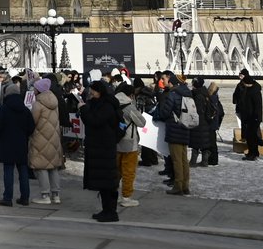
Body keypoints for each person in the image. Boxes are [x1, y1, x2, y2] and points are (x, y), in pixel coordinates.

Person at [79, 80, 123, 222]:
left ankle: (111, 212)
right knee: (104, 182)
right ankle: (106, 210)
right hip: (99, 147)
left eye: (93, 91)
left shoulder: (107, 106)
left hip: (104, 148)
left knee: (108, 181)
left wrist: (84, 109)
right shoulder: (100, 103)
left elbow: (95, 121)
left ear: (100, 92)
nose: (90, 93)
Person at [0, 76, 34, 207]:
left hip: (7, 143)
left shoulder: (4, 109)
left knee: (8, 171)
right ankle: (25, 197)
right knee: (23, 171)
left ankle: (7, 198)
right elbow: (31, 127)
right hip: (21, 143)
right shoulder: (25, 109)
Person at [154, 72, 195, 195]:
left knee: (176, 160)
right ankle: (185, 185)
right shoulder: (187, 92)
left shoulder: (173, 94)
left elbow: (165, 113)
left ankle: (178, 186)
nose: (164, 82)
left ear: (171, 81)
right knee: (183, 159)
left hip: (174, 129)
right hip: (185, 128)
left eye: (166, 80)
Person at [28, 77, 65, 206]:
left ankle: (45, 195)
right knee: (53, 167)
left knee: (41, 167)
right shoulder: (54, 102)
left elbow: (32, 122)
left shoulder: (38, 104)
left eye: (35, 88)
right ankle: (56, 195)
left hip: (40, 138)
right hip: (54, 138)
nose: (33, 90)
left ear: (39, 90)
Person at [112, 73, 146, 208]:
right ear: (131, 95)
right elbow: (142, 122)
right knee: (128, 171)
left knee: (116, 170)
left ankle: (112, 193)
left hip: (116, 141)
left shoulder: (113, 104)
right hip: (129, 142)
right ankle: (126, 196)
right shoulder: (129, 106)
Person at [232, 68, 263, 161]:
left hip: (253, 118)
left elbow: (257, 107)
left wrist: (256, 118)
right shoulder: (247, 89)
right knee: (251, 136)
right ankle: (254, 153)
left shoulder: (254, 91)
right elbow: (237, 99)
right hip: (247, 116)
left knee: (252, 136)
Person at [201, 79, 226, 166]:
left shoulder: (209, 99)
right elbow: (222, 112)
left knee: (210, 143)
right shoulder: (216, 99)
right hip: (214, 123)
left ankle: (212, 160)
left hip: (210, 123)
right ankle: (213, 160)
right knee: (213, 142)